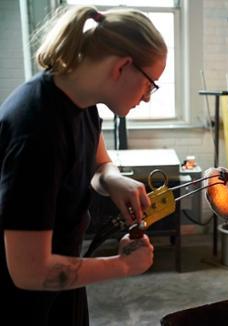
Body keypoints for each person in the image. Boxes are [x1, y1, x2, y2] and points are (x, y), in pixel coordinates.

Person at [0, 5, 167, 325]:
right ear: (122, 67)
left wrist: (113, 179)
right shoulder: (37, 131)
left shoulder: (83, 103)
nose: (147, 97)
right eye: (150, 84)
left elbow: (98, 162)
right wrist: (123, 266)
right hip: (24, 297)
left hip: (65, 274)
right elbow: (28, 272)